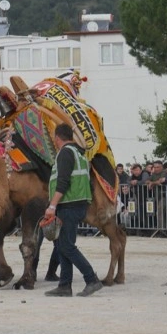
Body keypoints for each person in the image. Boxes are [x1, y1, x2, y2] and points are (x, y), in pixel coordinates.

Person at [44, 123, 102, 297]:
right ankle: (64, 285)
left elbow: (63, 182)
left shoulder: (65, 153)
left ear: (57, 138)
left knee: (67, 246)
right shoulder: (79, 154)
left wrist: (52, 205)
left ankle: (91, 279)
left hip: (68, 204)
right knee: (62, 245)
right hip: (77, 204)